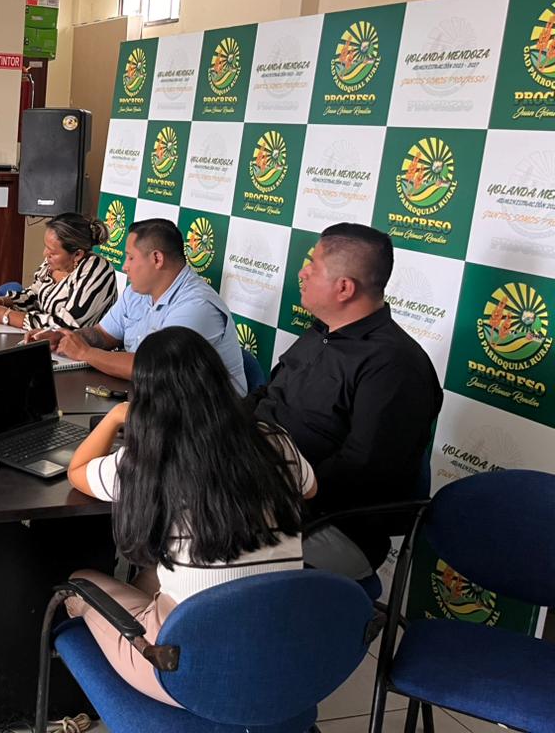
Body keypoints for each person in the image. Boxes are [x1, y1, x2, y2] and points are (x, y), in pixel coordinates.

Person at [65, 326, 315, 707]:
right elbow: (311, 489)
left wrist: (116, 416)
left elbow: (77, 471)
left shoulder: (147, 461)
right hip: (277, 656)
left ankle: (78, 693)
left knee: (78, 583)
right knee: (154, 576)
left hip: (189, 673)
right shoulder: (276, 440)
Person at [250, 223, 443, 574]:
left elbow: (359, 472)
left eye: (313, 266)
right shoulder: (322, 332)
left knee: (202, 543)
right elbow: (267, 396)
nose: (302, 273)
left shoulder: (396, 366)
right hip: (259, 486)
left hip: (329, 525)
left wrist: (263, 486)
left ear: (344, 288)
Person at [30, 218, 247, 394]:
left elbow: (153, 369)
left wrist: (85, 353)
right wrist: (64, 338)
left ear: (157, 259)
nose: (125, 266)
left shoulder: (197, 306)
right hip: (154, 400)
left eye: (131, 258)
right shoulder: (137, 292)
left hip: (208, 420)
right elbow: (103, 334)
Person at [0, 212, 117, 332]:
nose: (45, 254)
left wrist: (6, 316)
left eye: (52, 252)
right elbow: (33, 296)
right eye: (46, 247)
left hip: (81, 353)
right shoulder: (53, 264)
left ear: (77, 254)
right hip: (43, 342)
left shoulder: (98, 270)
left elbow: (67, 325)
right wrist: (3, 302)